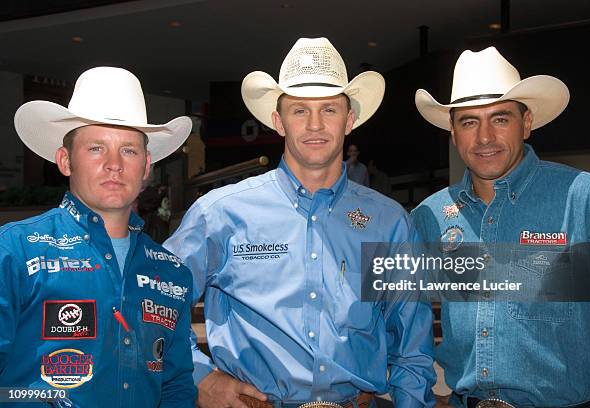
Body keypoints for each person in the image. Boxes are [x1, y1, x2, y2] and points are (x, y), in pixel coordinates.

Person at [165, 37, 436, 408]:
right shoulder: (219, 214)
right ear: (278, 121)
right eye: (299, 111)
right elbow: (154, 306)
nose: (314, 125)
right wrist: (200, 376)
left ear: (350, 119)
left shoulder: (390, 223)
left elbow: (411, 346)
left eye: (329, 110)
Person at [411, 47, 590, 407]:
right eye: (469, 122)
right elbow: (405, 323)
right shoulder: (430, 215)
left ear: (527, 123)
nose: (485, 137)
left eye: (500, 119)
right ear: (453, 134)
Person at [1, 66, 196, 407]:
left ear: (147, 165)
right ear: (65, 160)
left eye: (129, 150)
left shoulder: (171, 272)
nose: (114, 164)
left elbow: (176, 385)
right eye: (95, 148)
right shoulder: (14, 252)